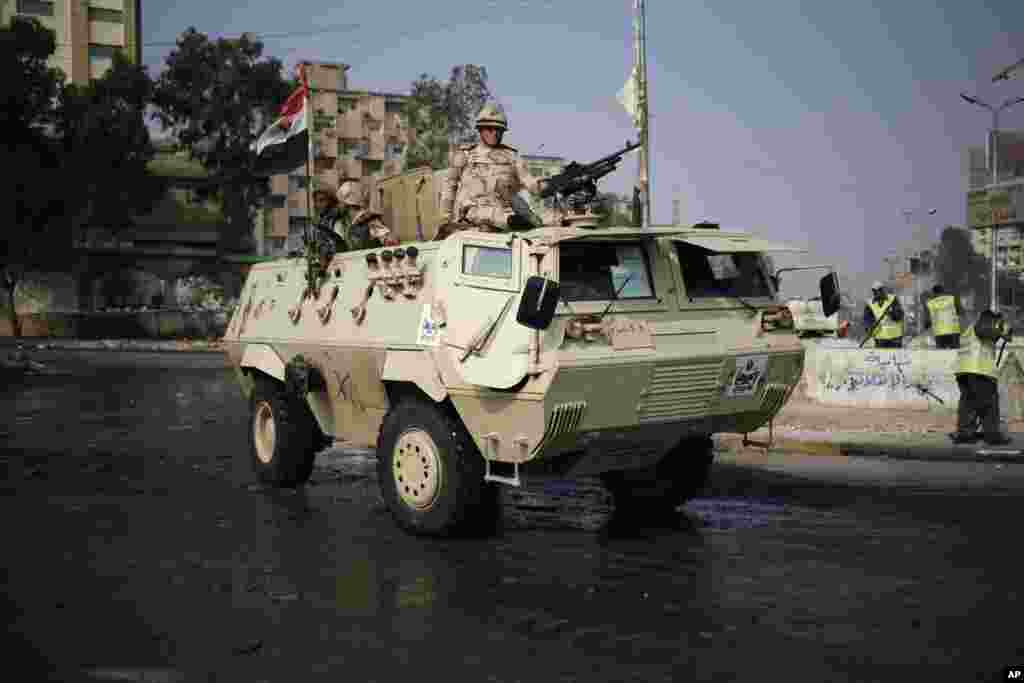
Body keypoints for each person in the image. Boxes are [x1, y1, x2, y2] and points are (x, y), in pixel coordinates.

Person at [441, 102, 546, 232]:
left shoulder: (512, 157)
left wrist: (553, 184)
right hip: (471, 221)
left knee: (539, 222)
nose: (495, 133)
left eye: (499, 130)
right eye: (490, 129)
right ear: (480, 129)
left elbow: (530, 183)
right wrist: (445, 220)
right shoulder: (464, 155)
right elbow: (449, 187)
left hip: (505, 222)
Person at [951, 309, 1013, 445]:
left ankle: (965, 433)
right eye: (998, 321)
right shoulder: (985, 321)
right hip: (979, 370)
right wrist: (1001, 330)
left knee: (969, 403)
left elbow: (989, 334)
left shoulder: (971, 328)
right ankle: (993, 436)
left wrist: (1003, 334)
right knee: (989, 403)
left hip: (964, 370)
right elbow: (985, 330)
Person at [336, 181, 399, 250]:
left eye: (340, 202)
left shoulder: (369, 221)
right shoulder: (344, 222)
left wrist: (387, 238)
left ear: (346, 204)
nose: (339, 206)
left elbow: (390, 240)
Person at [862, 281, 904, 348]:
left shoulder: (893, 300)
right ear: (873, 292)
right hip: (880, 339)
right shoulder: (869, 304)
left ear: (883, 290)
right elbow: (867, 320)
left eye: (880, 290)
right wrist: (869, 327)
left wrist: (891, 313)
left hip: (895, 338)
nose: (879, 293)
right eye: (876, 291)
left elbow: (899, 315)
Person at [923, 283, 963, 349]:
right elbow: (960, 312)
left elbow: (927, 320)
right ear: (943, 291)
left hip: (939, 333)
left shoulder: (930, 303)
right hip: (953, 331)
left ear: (933, 293)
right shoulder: (952, 299)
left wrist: (926, 326)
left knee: (941, 355)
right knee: (955, 353)